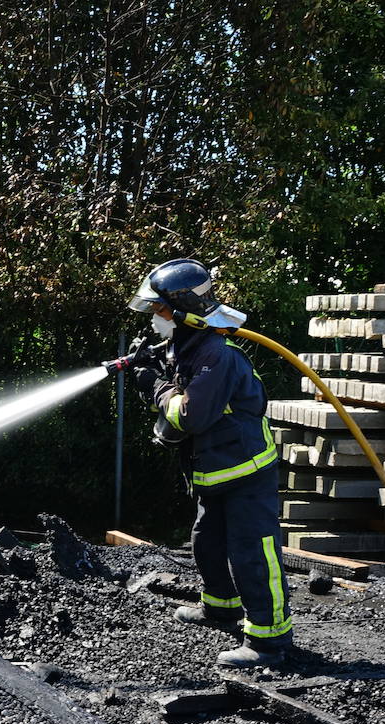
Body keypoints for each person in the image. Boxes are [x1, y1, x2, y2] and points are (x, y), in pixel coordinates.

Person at [126, 258, 292, 668]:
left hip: (245, 472)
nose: (154, 318)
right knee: (207, 543)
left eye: (159, 310)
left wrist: (155, 387)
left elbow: (190, 414)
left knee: (253, 551)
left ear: (183, 311)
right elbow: (179, 381)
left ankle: (270, 639)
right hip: (214, 471)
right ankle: (220, 607)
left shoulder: (219, 355)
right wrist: (150, 364)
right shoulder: (188, 345)